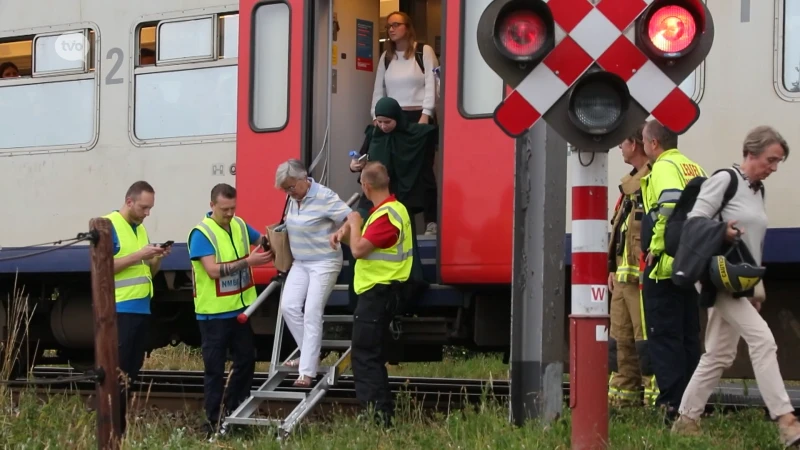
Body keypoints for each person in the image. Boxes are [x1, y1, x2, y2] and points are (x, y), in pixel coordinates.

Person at [671, 126, 800, 446]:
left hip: (740, 284)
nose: (774, 168)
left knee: (719, 354)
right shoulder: (725, 181)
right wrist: (722, 232)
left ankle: (686, 419)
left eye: (778, 162)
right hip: (718, 281)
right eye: (770, 160)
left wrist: (756, 289)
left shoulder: (758, 190)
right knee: (763, 340)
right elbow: (694, 223)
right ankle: (786, 421)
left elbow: (753, 244)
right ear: (750, 153)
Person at [329, 161, 413, 427]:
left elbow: (359, 250)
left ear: (365, 186)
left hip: (378, 293)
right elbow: (363, 242)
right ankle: (379, 414)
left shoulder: (387, 215)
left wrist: (353, 221)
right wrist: (343, 234)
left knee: (365, 357)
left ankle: (378, 418)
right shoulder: (384, 212)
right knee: (369, 355)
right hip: (379, 292)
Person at [187, 183, 274, 437]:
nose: (229, 213)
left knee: (246, 361)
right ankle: (212, 422)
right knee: (214, 370)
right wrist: (249, 261)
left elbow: (262, 240)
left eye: (233, 208)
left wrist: (275, 240)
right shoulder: (201, 233)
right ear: (212, 205)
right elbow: (212, 270)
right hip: (213, 314)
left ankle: (236, 412)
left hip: (239, 310)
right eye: (224, 209)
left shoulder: (239, 224)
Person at [639, 120, 706, 422]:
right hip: (688, 266)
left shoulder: (664, 167)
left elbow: (667, 207)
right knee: (688, 337)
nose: (642, 146)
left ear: (654, 144)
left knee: (664, 337)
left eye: (643, 141)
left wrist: (656, 247)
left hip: (665, 267)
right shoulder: (693, 167)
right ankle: (691, 407)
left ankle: (672, 407)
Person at [274, 159, 352, 387]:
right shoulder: (292, 198)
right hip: (300, 261)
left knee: (312, 311)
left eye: (291, 187)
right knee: (288, 306)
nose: (290, 193)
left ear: (303, 179)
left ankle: (306, 373)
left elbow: (350, 218)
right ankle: (311, 354)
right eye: (285, 189)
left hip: (324, 261)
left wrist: (339, 234)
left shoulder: (324, 196)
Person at [104, 180, 168, 433]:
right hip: (120, 309)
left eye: (150, 208)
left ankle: (121, 425)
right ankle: (112, 427)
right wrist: (139, 255)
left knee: (131, 372)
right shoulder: (108, 225)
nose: (147, 213)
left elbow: (147, 270)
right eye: (143, 207)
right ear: (129, 202)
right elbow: (103, 268)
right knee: (118, 372)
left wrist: (155, 258)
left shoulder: (140, 229)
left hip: (141, 308)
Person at [371, 11, 439, 235]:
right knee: (395, 172)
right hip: (393, 121)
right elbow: (378, 89)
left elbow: (433, 83)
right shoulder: (386, 57)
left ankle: (431, 221)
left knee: (423, 171)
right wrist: (375, 115)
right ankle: (399, 222)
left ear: (407, 27)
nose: (391, 29)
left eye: (396, 25)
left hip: (419, 116)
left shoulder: (423, 51)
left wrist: (426, 113)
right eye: (388, 26)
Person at [607, 125, 658, 407]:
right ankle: (622, 401)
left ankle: (655, 402)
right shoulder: (628, 185)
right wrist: (612, 269)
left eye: (622, 142)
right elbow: (621, 232)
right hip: (623, 281)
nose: (619, 148)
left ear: (635, 144)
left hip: (641, 281)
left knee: (645, 341)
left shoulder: (650, 181)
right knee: (620, 344)